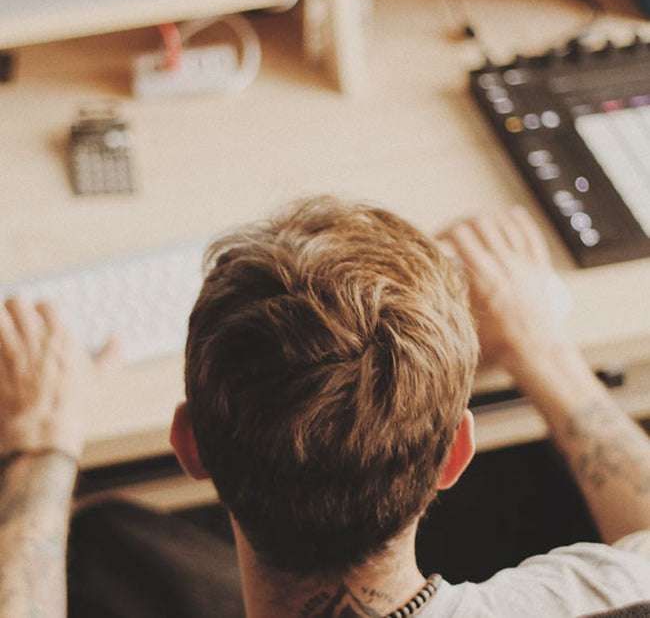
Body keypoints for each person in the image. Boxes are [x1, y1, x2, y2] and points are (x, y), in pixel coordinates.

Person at [1, 197, 649, 618]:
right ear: (455, 453)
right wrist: (539, 347)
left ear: (191, 445)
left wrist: (40, 447)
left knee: (110, 540)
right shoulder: (593, 599)